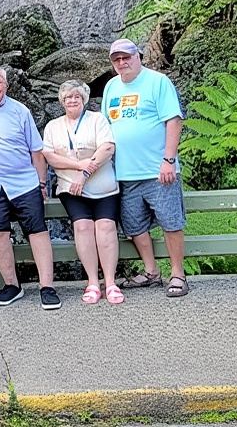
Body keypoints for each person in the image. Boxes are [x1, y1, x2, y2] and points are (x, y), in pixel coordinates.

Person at [0, 66, 60, 310]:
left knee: (37, 231)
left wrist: (41, 183)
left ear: (6, 86)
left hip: (24, 183)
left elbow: (36, 151)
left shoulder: (20, 110)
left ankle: (47, 287)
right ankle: (12, 286)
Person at [102, 38, 188, 298]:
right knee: (134, 225)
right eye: (116, 59)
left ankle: (178, 274)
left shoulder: (157, 81)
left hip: (157, 170)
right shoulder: (111, 87)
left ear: (138, 56)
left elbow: (173, 120)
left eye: (126, 57)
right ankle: (151, 271)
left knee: (171, 222)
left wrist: (169, 159)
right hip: (124, 173)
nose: (122, 62)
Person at [41, 80, 122, 305]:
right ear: (62, 101)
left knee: (105, 226)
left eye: (76, 96)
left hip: (103, 186)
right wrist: (80, 168)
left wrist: (86, 173)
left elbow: (107, 147)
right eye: (68, 97)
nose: (72, 100)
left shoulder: (97, 119)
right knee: (82, 226)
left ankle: (111, 282)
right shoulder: (53, 126)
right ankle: (92, 282)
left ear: (84, 99)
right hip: (70, 187)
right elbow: (49, 156)